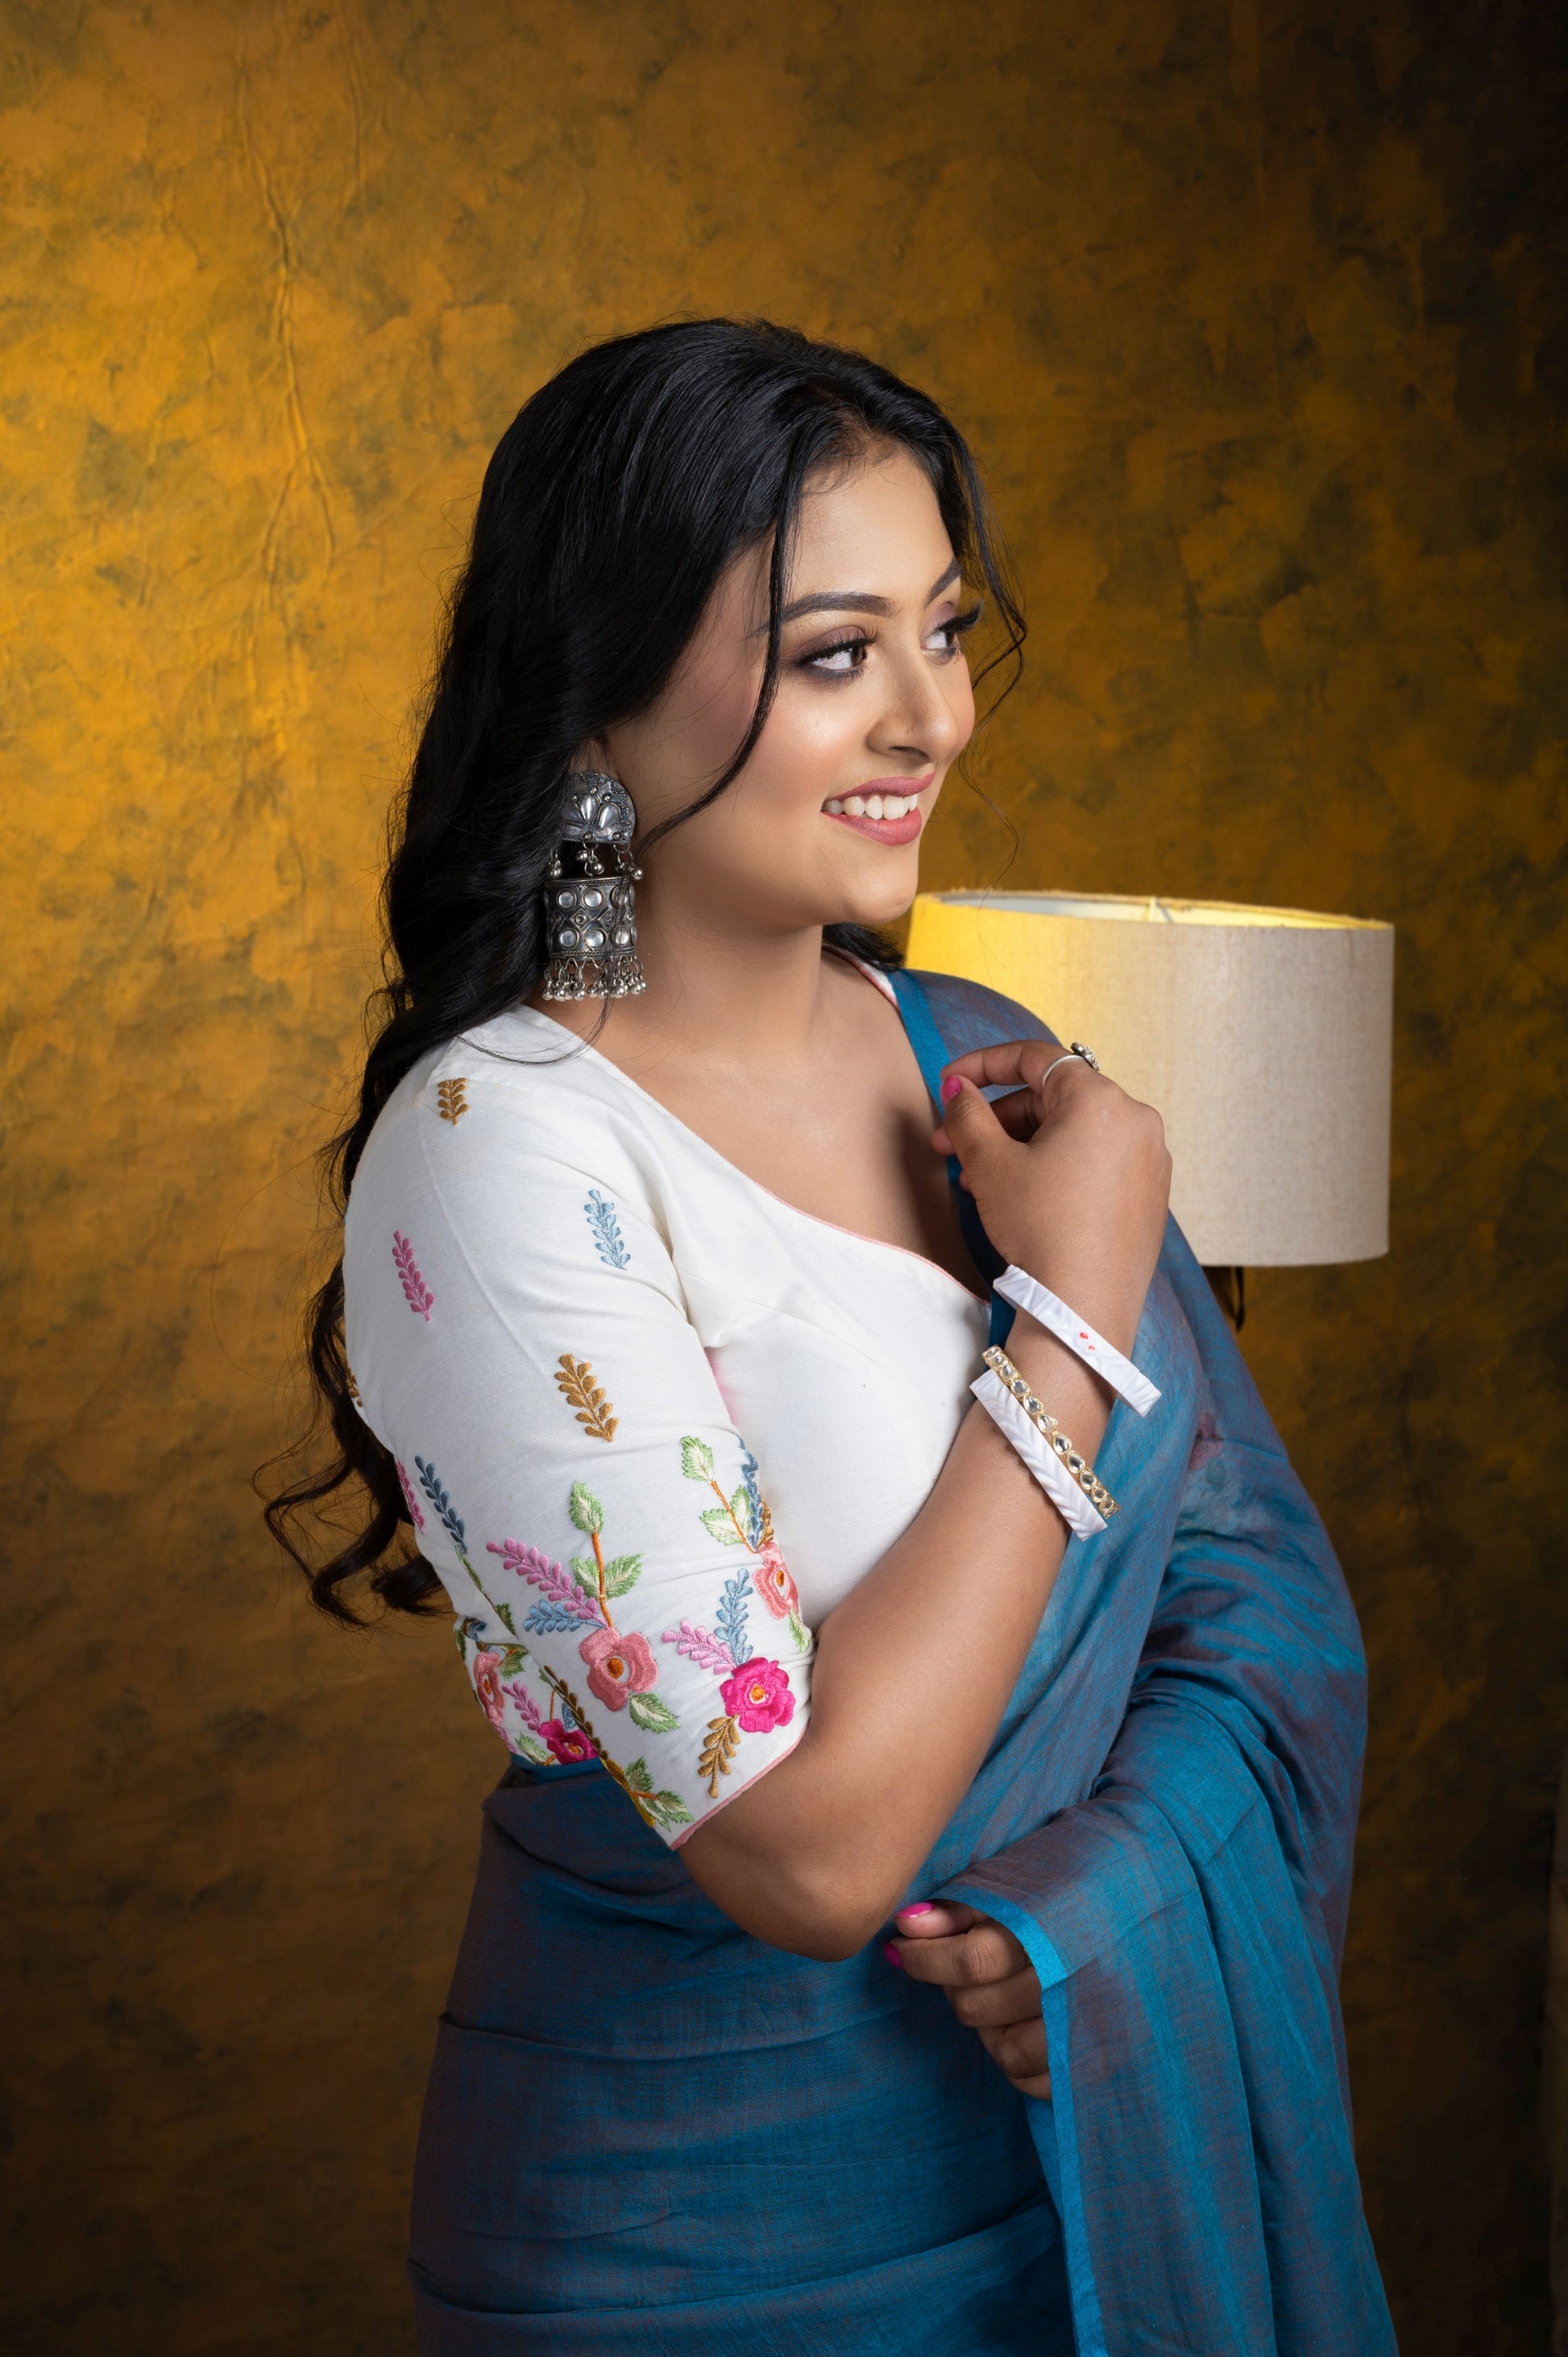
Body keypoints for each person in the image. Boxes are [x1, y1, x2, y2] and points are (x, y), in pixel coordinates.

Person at [267, 320, 1395, 2354]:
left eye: (943, 631)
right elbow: (799, 1845)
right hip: (698, 2238)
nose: (930, 718)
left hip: (1059, 2164)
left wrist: (1106, 1922)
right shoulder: (499, 1154)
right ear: (594, 695)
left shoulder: (976, 1057)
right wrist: (1063, 1306)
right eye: (831, 653)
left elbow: (1253, 1596)